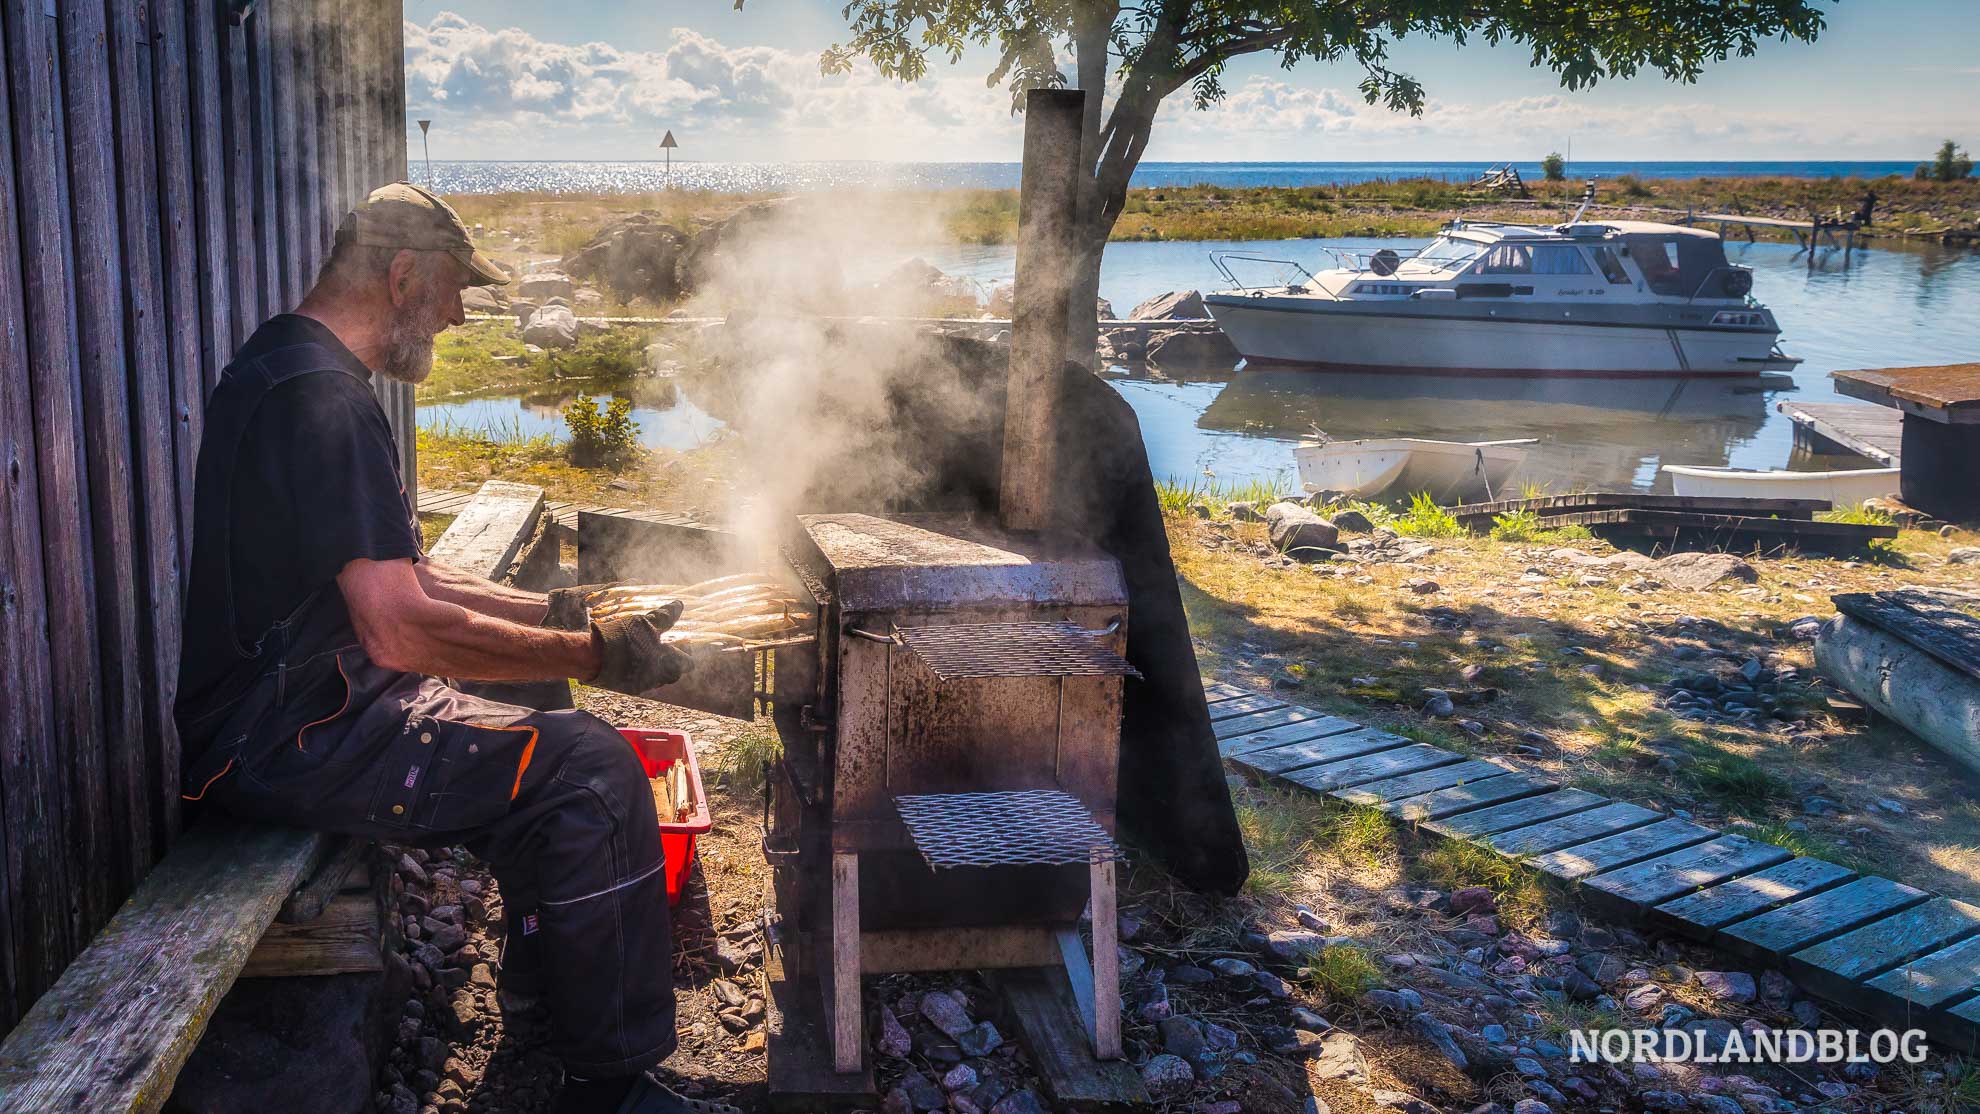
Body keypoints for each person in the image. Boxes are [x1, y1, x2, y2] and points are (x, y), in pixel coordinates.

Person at [174, 183, 718, 1114]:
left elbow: (413, 580)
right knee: (592, 773)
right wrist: (594, 657)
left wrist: (558, 619)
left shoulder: (293, 364)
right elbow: (397, 626)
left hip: (295, 713)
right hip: (287, 736)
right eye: (456, 287)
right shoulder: (325, 401)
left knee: (547, 709)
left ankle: (542, 996)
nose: (464, 311)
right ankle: (609, 1086)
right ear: (401, 276)